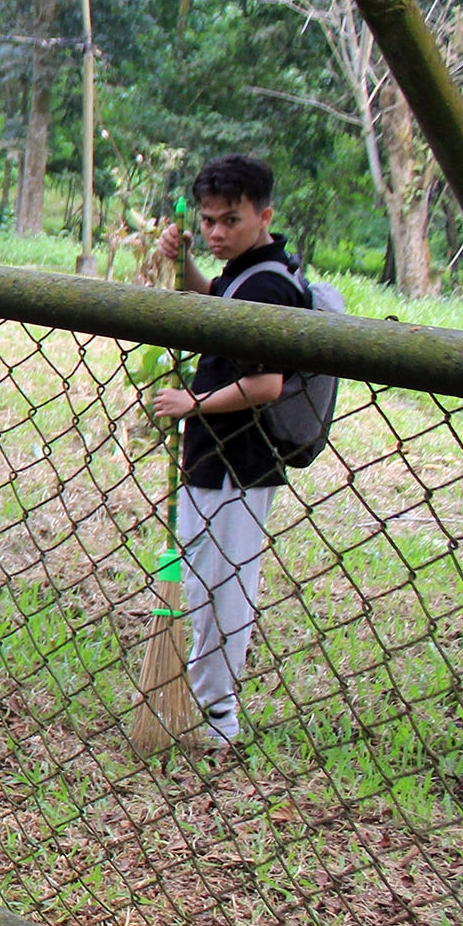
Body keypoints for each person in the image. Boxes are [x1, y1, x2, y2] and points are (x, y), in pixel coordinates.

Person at [146, 154, 308, 748]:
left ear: (264, 214)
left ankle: (218, 718)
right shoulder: (248, 270)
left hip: (239, 466)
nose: (216, 232)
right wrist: (181, 260)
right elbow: (214, 296)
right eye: (208, 221)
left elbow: (266, 385)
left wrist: (193, 403)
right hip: (215, 461)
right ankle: (207, 705)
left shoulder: (268, 283)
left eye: (229, 221)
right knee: (204, 584)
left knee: (221, 593)